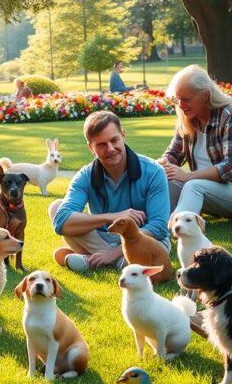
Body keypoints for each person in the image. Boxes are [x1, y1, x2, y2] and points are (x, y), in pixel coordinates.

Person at [50, 111, 170, 272]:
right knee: (57, 208)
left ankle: (94, 259)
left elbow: (158, 227)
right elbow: (61, 222)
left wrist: (113, 253)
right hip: (103, 237)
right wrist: (113, 217)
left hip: (144, 239)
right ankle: (121, 262)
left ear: (123, 135)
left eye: (114, 140)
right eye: (101, 145)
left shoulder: (154, 171)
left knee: (153, 249)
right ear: (91, 147)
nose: (110, 149)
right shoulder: (85, 176)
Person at [158, 65, 232, 219]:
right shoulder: (189, 117)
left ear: (205, 95)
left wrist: (188, 176)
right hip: (209, 189)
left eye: (186, 99)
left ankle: (177, 230)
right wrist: (164, 164)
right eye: (178, 99)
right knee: (167, 182)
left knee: (193, 185)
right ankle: (154, 228)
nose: (181, 106)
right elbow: (174, 153)